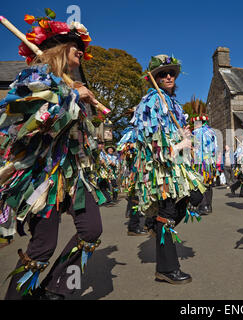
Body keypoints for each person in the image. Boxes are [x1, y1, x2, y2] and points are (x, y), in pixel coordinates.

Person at [1, 11, 104, 299]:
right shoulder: (35, 77)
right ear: (61, 48)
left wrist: (82, 102)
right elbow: (36, 124)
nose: (82, 53)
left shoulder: (72, 83)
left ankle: (55, 288)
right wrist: (72, 97)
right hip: (40, 173)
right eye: (77, 47)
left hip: (72, 172)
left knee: (91, 230)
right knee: (43, 245)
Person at [122, 54, 205, 284]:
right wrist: (181, 145)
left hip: (177, 167)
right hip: (161, 170)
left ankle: (153, 224)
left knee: (196, 194)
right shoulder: (151, 103)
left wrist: (184, 137)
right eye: (162, 74)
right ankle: (167, 269)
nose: (168, 76)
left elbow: (172, 135)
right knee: (167, 215)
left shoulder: (172, 103)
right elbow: (154, 148)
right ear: (153, 78)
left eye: (171, 73)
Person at [191, 115, 217, 215]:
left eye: (195, 123)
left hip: (201, 162)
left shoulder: (196, 132)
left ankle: (203, 206)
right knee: (208, 183)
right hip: (210, 162)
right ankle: (208, 206)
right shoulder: (211, 131)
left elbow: (194, 148)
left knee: (201, 183)